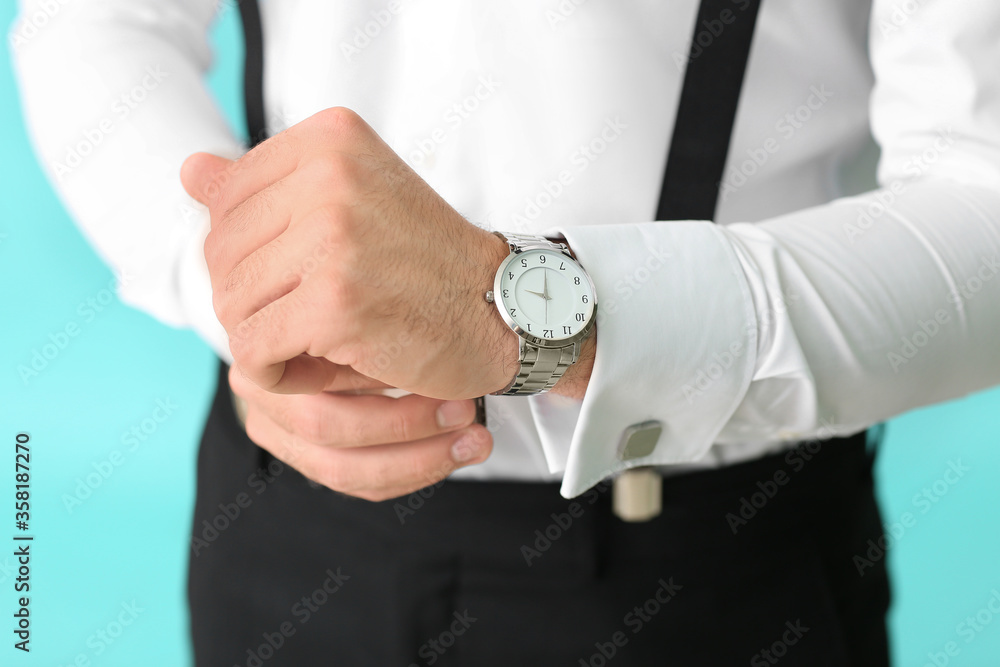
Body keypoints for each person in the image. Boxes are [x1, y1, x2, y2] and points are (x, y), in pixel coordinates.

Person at [12, 0, 1000, 664]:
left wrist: (525, 306)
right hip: (286, 516)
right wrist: (239, 289)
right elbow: (93, 22)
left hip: (715, 559)